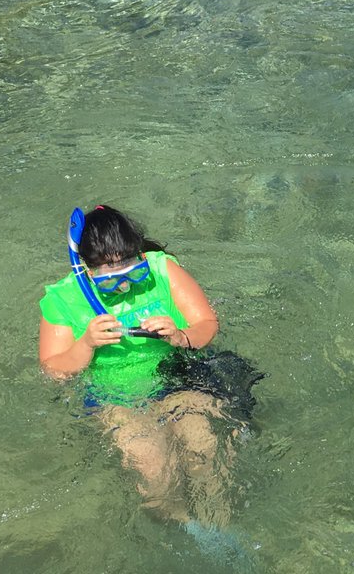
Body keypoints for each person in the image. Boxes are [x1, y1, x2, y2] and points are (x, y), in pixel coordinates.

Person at [38, 205, 262, 535]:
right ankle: (186, 528)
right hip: (114, 395)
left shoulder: (163, 269)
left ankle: (221, 524)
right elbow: (53, 369)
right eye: (110, 279)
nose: (125, 286)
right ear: (85, 269)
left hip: (175, 377)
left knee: (204, 449)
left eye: (133, 272)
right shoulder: (63, 299)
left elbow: (206, 323)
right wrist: (86, 344)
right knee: (154, 470)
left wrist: (180, 336)